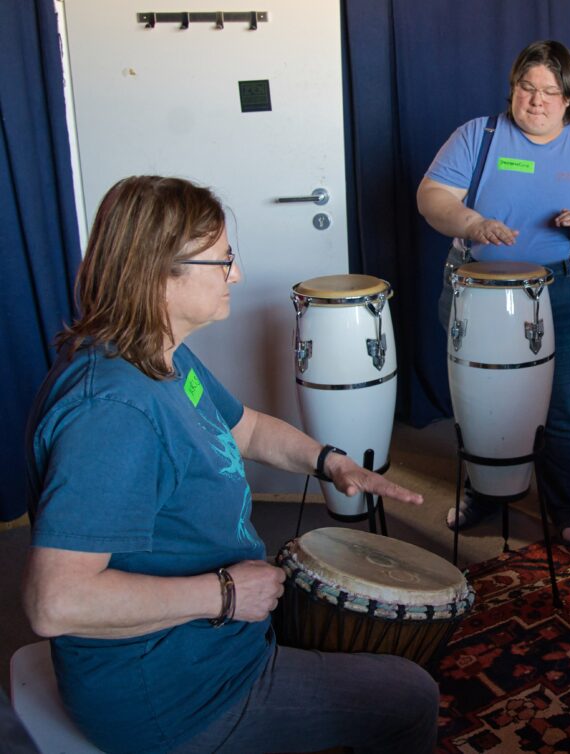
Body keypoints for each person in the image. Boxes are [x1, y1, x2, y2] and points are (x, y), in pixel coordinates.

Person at [21, 176, 440, 754]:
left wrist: (331, 462)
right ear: (159, 273)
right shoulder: (112, 413)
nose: (236, 276)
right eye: (223, 261)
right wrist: (223, 595)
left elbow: (245, 428)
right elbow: (56, 603)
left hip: (209, 640)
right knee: (411, 694)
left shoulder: (158, 356)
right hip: (172, 696)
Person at [417, 40, 570, 544]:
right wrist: (472, 222)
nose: (536, 100)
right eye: (527, 87)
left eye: (550, 91)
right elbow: (432, 196)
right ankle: (486, 489)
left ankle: (568, 505)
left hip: (568, 286)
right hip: (482, 289)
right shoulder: (479, 136)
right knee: (484, 400)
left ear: (569, 100)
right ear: (513, 89)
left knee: (563, 401)